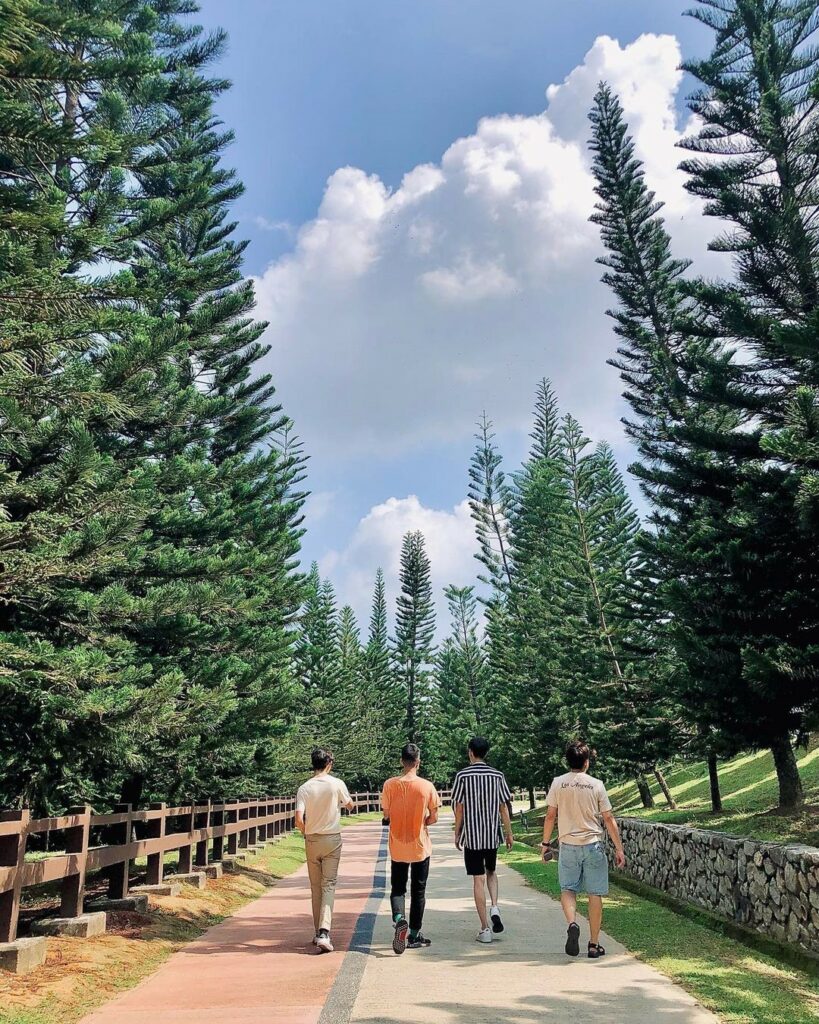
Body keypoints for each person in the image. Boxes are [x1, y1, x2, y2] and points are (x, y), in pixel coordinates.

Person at [540, 740, 626, 959]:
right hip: (593, 844)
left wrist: (546, 844)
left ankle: (572, 924)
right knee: (595, 893)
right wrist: (619, 848)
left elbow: (550, 815)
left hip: (568, 844)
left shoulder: (558, 783)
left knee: (568, 889)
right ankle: (594, 945)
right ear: (586, 762)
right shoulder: (596, 785)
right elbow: (608, 818)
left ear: (568, 761)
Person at [451, 736, 514, 944]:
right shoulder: (497, 775)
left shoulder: (462, 776)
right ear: (486, 753)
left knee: (477, 879)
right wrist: (509, 832)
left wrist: (457, 831)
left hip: (473, 837)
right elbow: (503, 806)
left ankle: (485, 928)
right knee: (492, 873)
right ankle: (495, 905)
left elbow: (458, 806)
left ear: (470, 752)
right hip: (491, 835)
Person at [381, 742, 441, 954]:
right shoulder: (427, 786)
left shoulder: (390, 785)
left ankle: (399, 919)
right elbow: (434, 816)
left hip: (397, 844)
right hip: (419, 845)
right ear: (418, 762)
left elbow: (386, 814)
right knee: (418, 890)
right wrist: (423, 821)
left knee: (398, 888)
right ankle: (414, 934)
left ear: (401, 761)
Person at [295, 748, 353, 953]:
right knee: (329, 884)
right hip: (332, 838)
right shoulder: (337, 784)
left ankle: (317, 931)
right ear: (329, 763)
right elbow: (349, 805)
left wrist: (307, 832)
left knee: (315, 886)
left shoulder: (304, 788)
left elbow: (298, 819)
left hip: (312, 839)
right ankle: (324, 931)